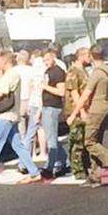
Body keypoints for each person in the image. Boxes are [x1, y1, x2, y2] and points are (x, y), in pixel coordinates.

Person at [0, 49, 42, 185]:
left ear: (4, 61)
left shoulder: (11, 74)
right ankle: (34, 172)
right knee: (18, 145)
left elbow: (1, 92)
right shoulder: (13, 73)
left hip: (5, 114)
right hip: (12, 114)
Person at [73, 44, 108, 187]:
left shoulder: (96, 73)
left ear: (91, 56)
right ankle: (95, 176)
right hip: (106, 108)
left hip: (96, 109)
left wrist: (74, 113)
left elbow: (86, 94)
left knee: (89, 142)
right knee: (96, 142)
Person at [39, 48, 68, 177]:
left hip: (53, 107)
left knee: (51, 140)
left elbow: (61, 91)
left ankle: (49, 167)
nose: (46, 62)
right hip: (46, 106)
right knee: (52, 137)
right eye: (44, 60)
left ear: (54, 58)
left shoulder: (58, 72)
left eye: (48, 59)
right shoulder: (48, 71)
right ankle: (65, 162)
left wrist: (45, 87)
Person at [63, 47, 91, 181]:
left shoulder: (83, 71)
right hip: (76, 111)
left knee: (84, 141)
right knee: (77, 142)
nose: (90, 58)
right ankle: (78, 169)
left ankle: (85, 167)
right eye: (88, 55)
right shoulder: (73, 71)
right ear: (81, 56)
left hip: (83, 109)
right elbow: (74, 92)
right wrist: (81, 111)